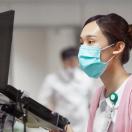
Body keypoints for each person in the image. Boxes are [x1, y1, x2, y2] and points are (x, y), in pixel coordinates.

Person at [50, 13, 132, 132]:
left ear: (118, 47)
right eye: (82, 43)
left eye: (91, 41)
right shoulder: (98, 95)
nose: (83, 50)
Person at [38, 47, 97, 132]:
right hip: (62, 123)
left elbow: (93, 100)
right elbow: (43, 100)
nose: (72, 63)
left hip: (83, 124)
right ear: (63, 61)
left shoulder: (86, 77)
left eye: (74, 60)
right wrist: (50, 116)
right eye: (69, 60)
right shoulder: (52, 79)